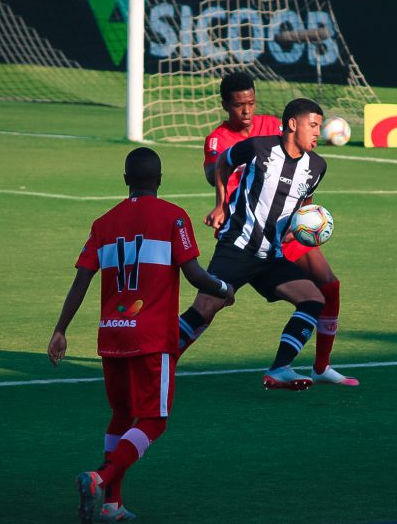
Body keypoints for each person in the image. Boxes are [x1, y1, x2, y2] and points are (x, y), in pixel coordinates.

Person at [47, 147, 234, 523]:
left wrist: (60, 330)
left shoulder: (104, 222)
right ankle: (100, 478)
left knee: (121, 415)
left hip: (112, 337)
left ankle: (112, 504)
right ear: (159, 180)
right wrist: (223, 289)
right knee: (153, 420)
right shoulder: (173, 217)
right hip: (152, 339)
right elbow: (194, 274)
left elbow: (81, 281)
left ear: (126, 181)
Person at [187, 72, 358, 387]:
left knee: (326, 289)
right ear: (226, 105)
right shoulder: (225, 139)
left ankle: (316, 366)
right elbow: (217, 171)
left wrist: (303, 221)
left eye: (251, 103)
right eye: (240, 105)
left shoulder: (285, 136)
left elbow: (302, 175)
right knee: (212, 303)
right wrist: (223, 204)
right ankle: (160, 357)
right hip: (244, 231)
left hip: (281, 235)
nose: (247, 111)